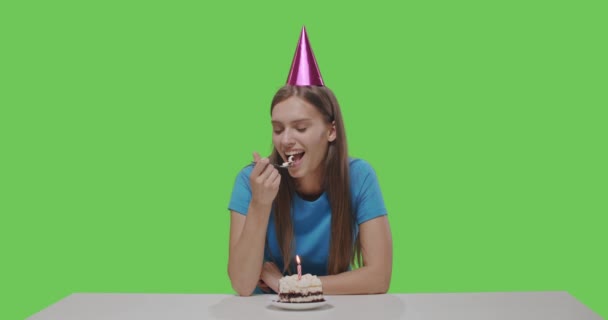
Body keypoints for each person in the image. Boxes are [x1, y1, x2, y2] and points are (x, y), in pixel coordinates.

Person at [227, 26, 392, 296]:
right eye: (278, 129)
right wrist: (259, 203)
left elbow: (379, 277)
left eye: (300, 128)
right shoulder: (249, 181)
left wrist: (288, 284)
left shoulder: (359, 177)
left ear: (331, 130)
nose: (286, 140)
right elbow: (242, 285)